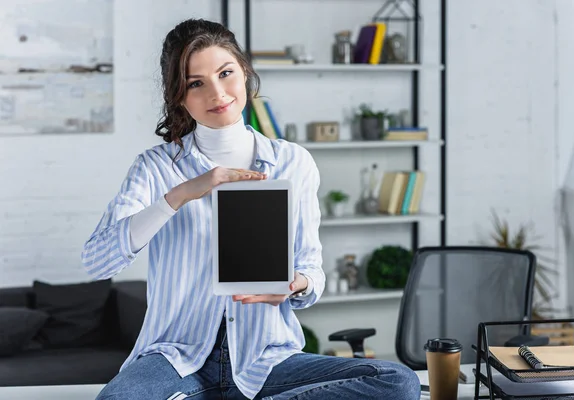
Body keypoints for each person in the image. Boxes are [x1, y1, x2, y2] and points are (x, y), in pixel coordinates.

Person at [83, 18, 420, 400]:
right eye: (196, 83)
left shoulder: (293, 162)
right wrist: (180, 194)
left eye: (225, 73)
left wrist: (296, 285)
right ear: (179, 95)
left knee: (398, 381)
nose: (217, 93)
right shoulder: (156, 168)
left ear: (244, 72)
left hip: (267, 359)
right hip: (177, 359)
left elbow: (312, 269)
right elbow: (97, 262)